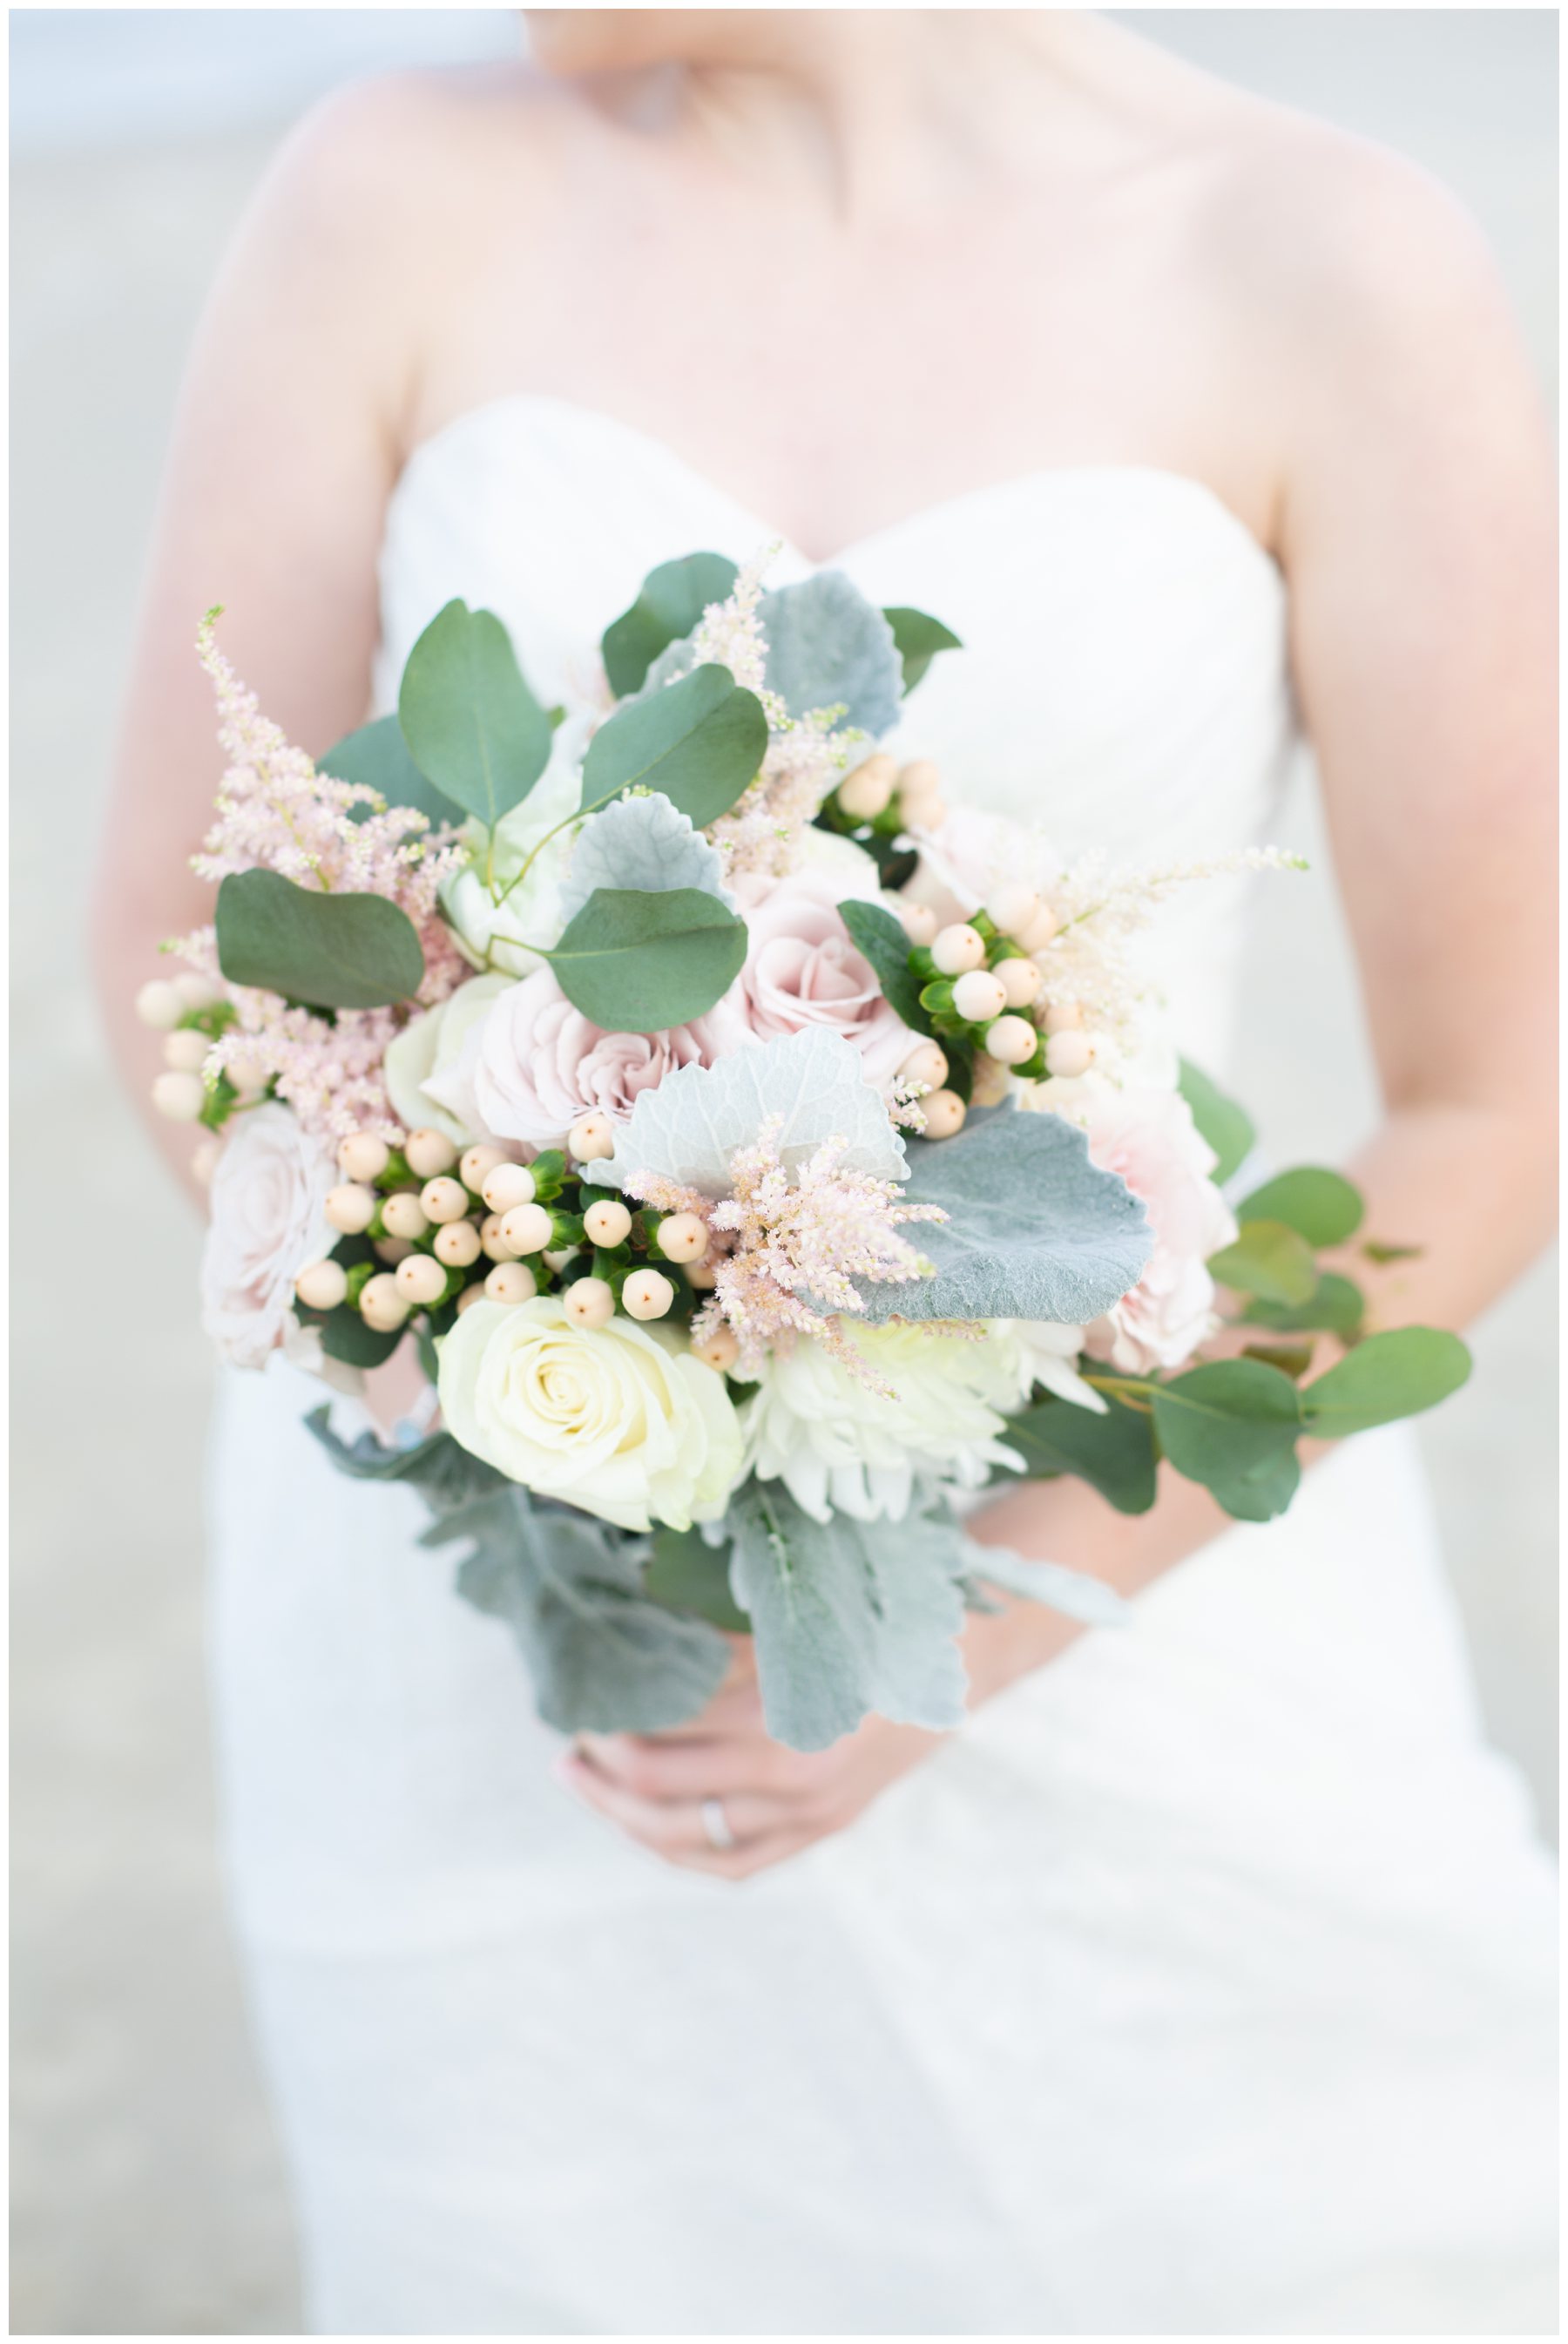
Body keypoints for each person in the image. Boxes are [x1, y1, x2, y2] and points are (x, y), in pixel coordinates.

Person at [94, 12, 1556, 2333]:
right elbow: (183, 949)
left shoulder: (1331, 265)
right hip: (495, 1661)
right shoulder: (383, 194)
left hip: (1121, 1606)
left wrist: (968, 1624)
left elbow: (1487, 1112)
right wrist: (517, 1421)